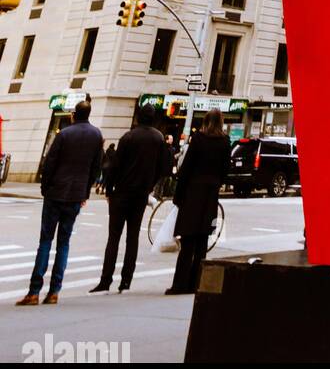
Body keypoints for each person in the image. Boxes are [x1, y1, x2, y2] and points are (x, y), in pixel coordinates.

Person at [16, 101, 102, 306]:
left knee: (45, 241)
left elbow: (50, 163)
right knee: (64, 243)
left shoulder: (64, 134)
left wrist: (45, 188)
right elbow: (95, 168)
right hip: (75, 195)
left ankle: (34, 291)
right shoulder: (96, 135)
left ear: (74, 114)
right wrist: (85, 193)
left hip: (56, 193)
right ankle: (54, 291)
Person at [91, 104, 172, 294]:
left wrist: (109, 190)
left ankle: (105, 280)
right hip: (140, 194)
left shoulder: (129, 137)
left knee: (114, 237)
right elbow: (164, 167)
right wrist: (150, 184)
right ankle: (126, 281)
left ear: (138, 117)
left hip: (122, 192)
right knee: (132, 237)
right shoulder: (158, 138)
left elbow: (114, 166)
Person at [167, 109, 230, 295]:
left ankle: (180, 284)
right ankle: (196, 283)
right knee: (202, 242)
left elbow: (186, 169)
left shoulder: (199, 139)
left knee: (187, 242)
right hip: (210, 196)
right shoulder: (225, 142)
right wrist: (216, 182)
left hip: (193, 193)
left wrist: (178, 197)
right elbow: (225, 170)